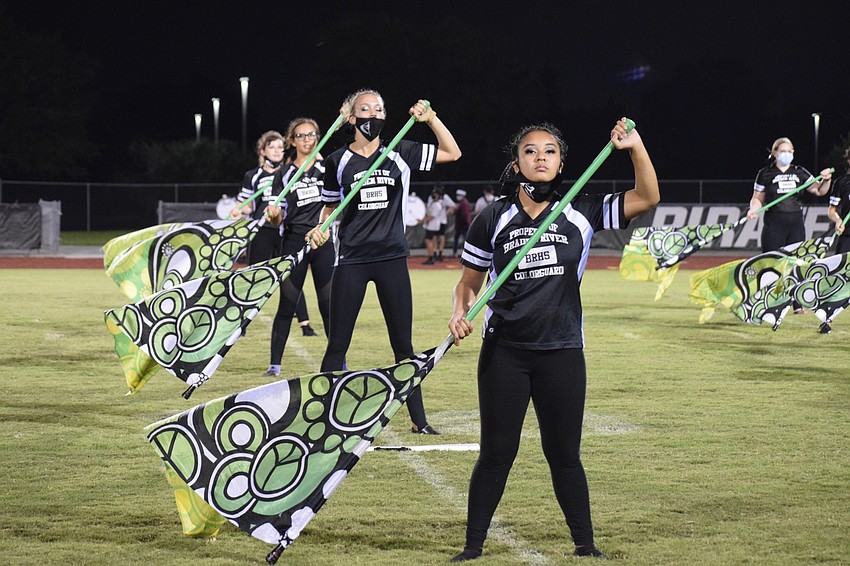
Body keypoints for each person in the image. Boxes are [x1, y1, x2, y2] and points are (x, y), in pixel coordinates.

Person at [447, 119, 659, 561]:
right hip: (504, 353)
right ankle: (472, 547)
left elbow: (647, 197)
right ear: (516, 162)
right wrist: (459, 312)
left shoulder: (581, 209)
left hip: (562, 352)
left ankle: (585, 545)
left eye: (549, 151)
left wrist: (635, 147)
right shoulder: (493, 217)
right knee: (495, 455)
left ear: (562, 162)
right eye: (530, 150)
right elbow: (468, 283)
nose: (540, 157)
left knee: (564, 455)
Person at [306, 89, 462, 434]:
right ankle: (319, 422)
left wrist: (430, 119)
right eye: (365, 110)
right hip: (352, 259)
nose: (373, 115)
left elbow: (453, 152)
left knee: (403, 345)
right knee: (338, 344)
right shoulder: (336, 162)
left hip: (392, 257)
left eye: (378, 109)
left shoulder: (401, 152)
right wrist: (320, 227)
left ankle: (419, 422)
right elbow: (330, 207)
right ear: (351, 118)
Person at [263, 117, 335, 377]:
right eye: (302, 136)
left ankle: (338, 361)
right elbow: (278, 216)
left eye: (312, 135)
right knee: (288, 303)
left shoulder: (328, 167)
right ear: (291, 141)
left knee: (329, 306)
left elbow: (338, 204)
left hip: (323, 241)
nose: (307, 140)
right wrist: (273, 215)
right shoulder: (284, 174)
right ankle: (274, 365)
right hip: (294, 243)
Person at [232, 130, 317, 338]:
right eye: (272, 147)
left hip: (284, 231)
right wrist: (238, 210)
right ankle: (241, 323)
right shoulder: (253, 176)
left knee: (291, 275)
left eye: (280, 147)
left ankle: (305, 324)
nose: (278, 151)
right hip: (261, 232)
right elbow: (249, 206)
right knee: (253, 278)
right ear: (263, 151)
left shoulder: (291, 172)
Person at [747, 137, 833, 252]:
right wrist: (753, 209)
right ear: (774, 153)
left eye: (789, 151)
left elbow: (819, 190)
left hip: (796, 223)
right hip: (774, 224)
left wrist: (826, 180)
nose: (786, 154)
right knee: (772, 262)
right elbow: (758, 198)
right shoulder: (764, 173)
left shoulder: (800, 172)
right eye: (783, 151)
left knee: (795, 262)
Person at [421, 186, 449, 265]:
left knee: (428, 240)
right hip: (433, 225)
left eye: (435, 194)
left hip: (432, 225)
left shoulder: (437, 204)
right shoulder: (435, 203)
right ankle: (432, 255)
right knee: (432, 240)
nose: (433, 195)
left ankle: (431, 257)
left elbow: (432, 216)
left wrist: (423, 220)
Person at [452, 188, 471, 257]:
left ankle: (464, 253)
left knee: (463, 239)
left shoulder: (463, 203)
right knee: (461, 238)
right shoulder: (463, 202)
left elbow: (464, 214)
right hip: (462, 224)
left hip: (463, 224)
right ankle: (459, 252)